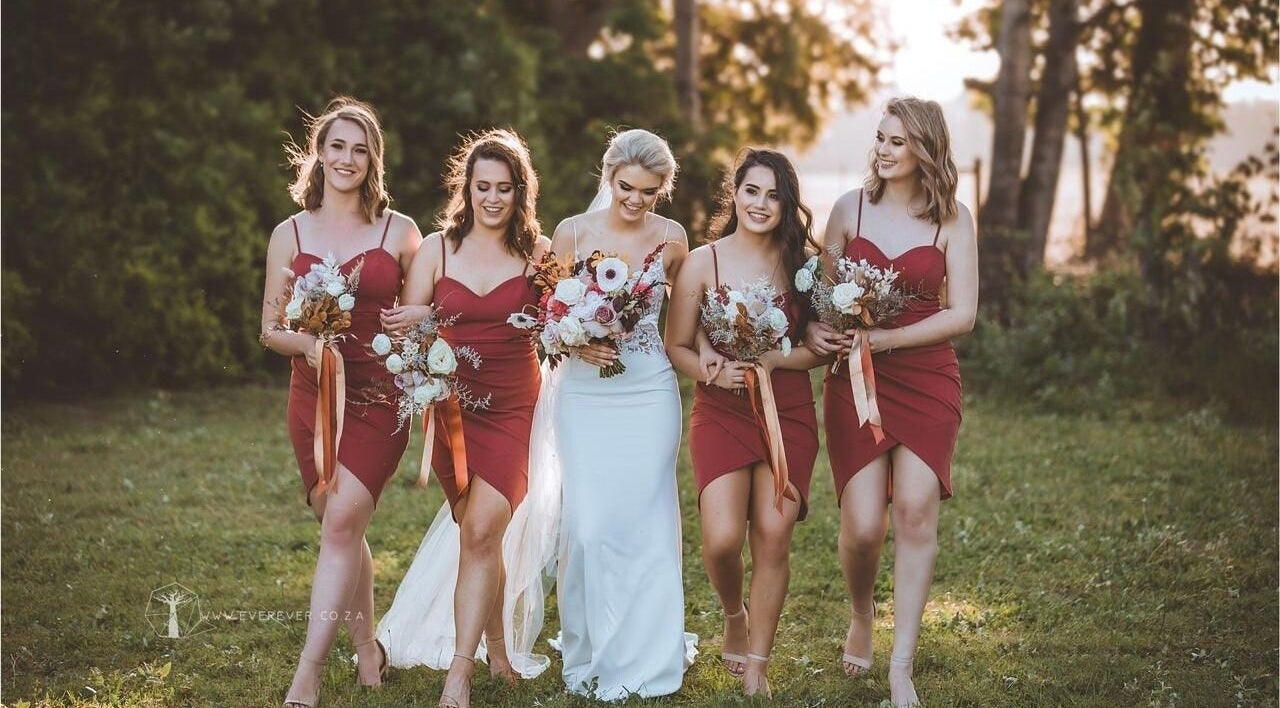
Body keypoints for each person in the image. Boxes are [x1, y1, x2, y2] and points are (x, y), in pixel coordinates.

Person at [804, 97, 977, 708]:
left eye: (897, 142)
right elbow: (821, 299)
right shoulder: (850, 209)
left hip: (927, 378)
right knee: (862, 527)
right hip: (855, 382)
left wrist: (890, 337)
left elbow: (964, 313)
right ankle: (860, 612)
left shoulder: (953, 218)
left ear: (924, 150)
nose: (882, 149)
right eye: (879, 138)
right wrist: (815, 332)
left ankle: (901, 663)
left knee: (914, 513)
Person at [377, 128, 551, 708]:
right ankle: (498, 649)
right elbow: (406, 322)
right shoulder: (437, 249)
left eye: (505, 188)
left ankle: (461, 670)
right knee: (481, 533)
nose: (493, 199)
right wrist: (420, 316)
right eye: (483, 187)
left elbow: (557, 327)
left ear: (520, 192)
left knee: (480, 530)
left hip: (514, 407)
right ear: (467, 188)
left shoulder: (539, 254)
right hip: (450, 409)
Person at [258, 97, 423, 707]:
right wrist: (309, 344)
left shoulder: (400, 231)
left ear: (372, 160)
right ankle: (367, 650)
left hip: (381, 397)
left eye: (360, 149)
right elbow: (270, 328)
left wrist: (422, 321)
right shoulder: (290, 233)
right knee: (340, 525)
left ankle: (309, 671)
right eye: (337, 146)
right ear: (318, 155)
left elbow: (434, 300)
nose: (347, 159)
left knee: (342, 525)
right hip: (314, 397)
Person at [664, 147, 825, 697]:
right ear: (735, 193)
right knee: (722, 540)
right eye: (752, 191)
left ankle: (758, 662)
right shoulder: (702, 262)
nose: (761, 204)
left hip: (789, 411)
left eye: (775, 195)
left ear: (787, 204)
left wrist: (776, 358)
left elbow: (817, 348)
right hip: (722, 411)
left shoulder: (802, 266)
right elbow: (677, 346)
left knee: (775, 535)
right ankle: (735, 612)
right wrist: (709, 370)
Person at [548, 128, 698, 699]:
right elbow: (548, 314)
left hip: (649, 391)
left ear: (664, 190)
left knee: (648, 524)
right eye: (625, 187)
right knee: (588, 527)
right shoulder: (574, 232)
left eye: (649, 192)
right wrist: (575, 340)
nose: (635, 200)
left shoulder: (674, 239)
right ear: (608, 176)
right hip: (585, 396)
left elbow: (684, 321)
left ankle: (652, 656)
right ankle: (591, 649)